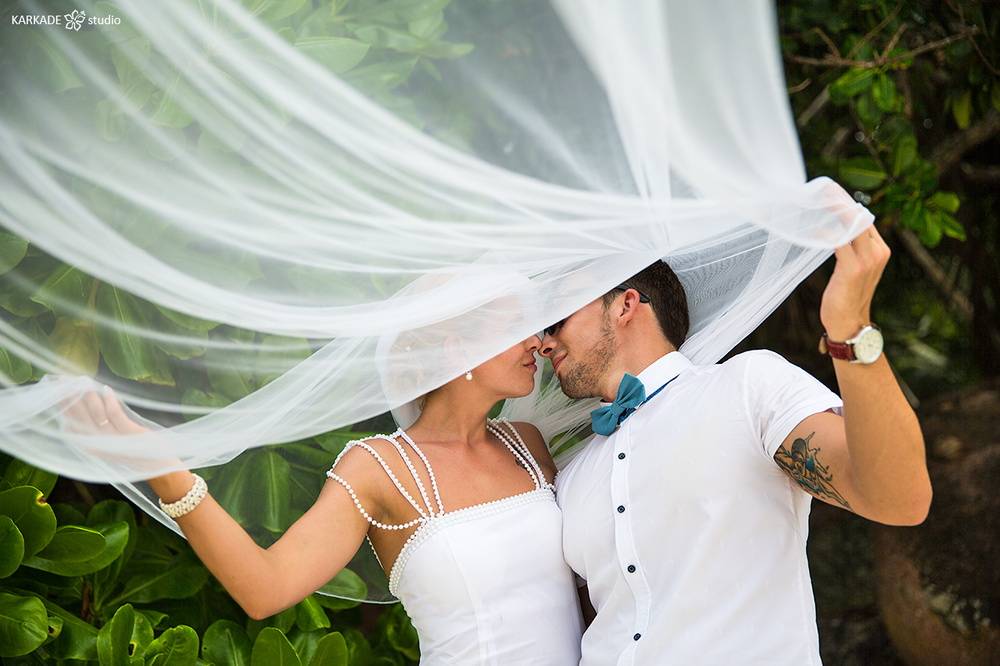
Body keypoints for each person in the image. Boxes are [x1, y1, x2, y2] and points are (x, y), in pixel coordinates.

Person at [539, 225, 932, 665]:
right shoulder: (569, 479)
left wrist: (851, 332)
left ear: (625, 304)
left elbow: (899, 499)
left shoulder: (747, 388)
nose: (543, 342)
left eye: (557, 319)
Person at [67, 333, 585, 665]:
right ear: (456, 347)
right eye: (520, 326)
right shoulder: (378, 467)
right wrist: (163, 469)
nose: (539, 343)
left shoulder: (527, 444)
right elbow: (264, 588)